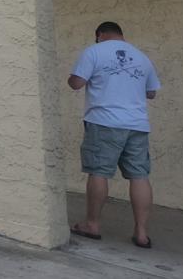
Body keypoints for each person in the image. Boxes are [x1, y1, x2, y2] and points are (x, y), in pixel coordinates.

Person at [67, 21, 160, 249]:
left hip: (104, 122)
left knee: (99, 172)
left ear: (99, 35)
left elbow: (76, 84)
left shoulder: (94, 52)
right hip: (137, 125)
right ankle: (141, 232)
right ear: (120, 35)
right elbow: (151, 92)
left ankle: (92, 224)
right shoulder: (142, 57)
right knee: (139, 175)